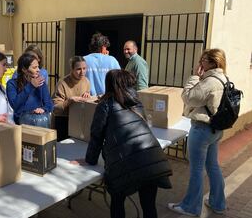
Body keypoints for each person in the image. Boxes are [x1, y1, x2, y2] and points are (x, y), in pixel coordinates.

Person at [72, 70, 172, 218]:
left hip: (125, 163)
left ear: (110, 84)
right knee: (149, 206)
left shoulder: (105, 105)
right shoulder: (137, 102)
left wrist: (90, 160)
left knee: (117, 201)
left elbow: (96, 136)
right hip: (152, 158)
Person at [168, 49, 227, 216]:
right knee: (213, 166)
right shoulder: (223, 78)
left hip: (202, 129)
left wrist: (194, 77)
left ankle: (191, 207)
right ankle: (218, 203)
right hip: (215, 129)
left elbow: (188, 97)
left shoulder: (210, 81)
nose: (200, 64)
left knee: (196, 169)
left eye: (203, 61)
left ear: (212, 63)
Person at [6, 53, 53, 128]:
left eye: (38, 67)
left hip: (40, 121)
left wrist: (43, 109)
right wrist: (31, 86)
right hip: (21, 124)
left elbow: (49, 104)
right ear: (24, 69)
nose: (38, 70)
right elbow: (15, 105)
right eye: (34, 67)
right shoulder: (12, 84)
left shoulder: (41, 83)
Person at [52, 56, 90, 141]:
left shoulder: (86, 81)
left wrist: (87, 95)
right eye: (78, 69)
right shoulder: (62, 83)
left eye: (84, 68)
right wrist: (69, 101)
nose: (82, 72)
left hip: (79, 121)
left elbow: (87, 97)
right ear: (72, 69)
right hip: (63, 121)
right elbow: (55, 108)